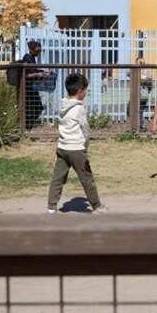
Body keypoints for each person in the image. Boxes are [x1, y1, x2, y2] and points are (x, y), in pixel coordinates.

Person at [47, 73, 109, 214]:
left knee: (58, 178)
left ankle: (51, 207)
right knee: (87, 178)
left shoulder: (62, 106)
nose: (86, 93)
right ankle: (97, 206)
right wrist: (85, 147)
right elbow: (85, 131)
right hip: (76, 148)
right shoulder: (79, 109)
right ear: (80, 91)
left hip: (62, 147)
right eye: (86, 90)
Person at [22, 41, 50, 128]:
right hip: (27, 89)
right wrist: (37, 74)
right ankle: (27, 127)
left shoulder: (33, 58)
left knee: (38, 107)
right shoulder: (26, 58)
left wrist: (44, 73)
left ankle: (28, 126)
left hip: (33, 88)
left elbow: (34, 71)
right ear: (31, 50)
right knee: (30, 109)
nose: (38, 53)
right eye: (37, 51)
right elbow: (25, 74)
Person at [126, 57, 153, 130]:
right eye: (139, 62)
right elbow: (128, 73)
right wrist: (136, 68)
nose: (141, 64)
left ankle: (140, 126)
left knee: (140, 111)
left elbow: (149, 82)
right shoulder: (134, 70)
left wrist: (142, 73)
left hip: (143, 95)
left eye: (143, 63)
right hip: (135, 95)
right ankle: (139, 125)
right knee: (129, 110)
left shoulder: (146, 71)